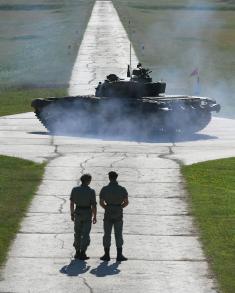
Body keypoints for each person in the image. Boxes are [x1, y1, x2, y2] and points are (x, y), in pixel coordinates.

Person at [99, 171, 129, 262]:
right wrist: (120, 207)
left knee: (107, 234)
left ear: (109, 178)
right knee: (118, 233)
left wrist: (107, 208)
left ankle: (106, 255)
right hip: (118, 212)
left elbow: (101, 202)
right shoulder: (122, 189)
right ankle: (119, 255)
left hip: (108, 211)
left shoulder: (104, 189)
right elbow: (126, 202)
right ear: (116, 178)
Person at [70, 174, 97, 260]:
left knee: (77, 233)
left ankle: (77, 252)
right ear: (88, 181)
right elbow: (94, 206)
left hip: (77, 212)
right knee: (85, 234)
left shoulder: (75, 189)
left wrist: (72, 213)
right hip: (87, 213)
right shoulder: (91, 191)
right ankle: (83, 252)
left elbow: (72, 203)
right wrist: (95, 216)